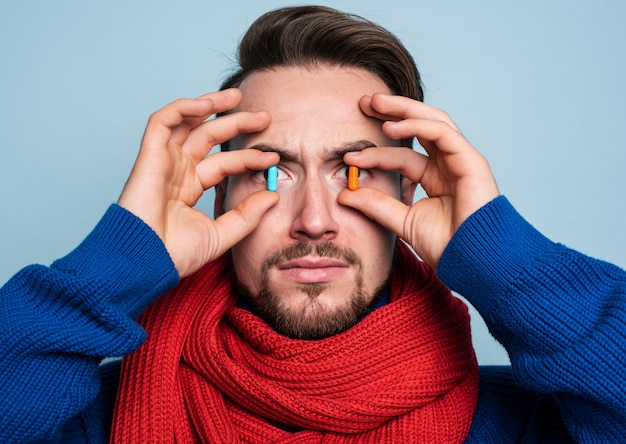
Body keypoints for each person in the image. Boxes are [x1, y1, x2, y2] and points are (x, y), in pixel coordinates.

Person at [0, 5, 625, 443]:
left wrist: (508, 261)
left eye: (353, 172)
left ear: (411, 190)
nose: (314, 222)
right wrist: (115, 263)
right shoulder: (86, 418)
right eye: (272, 173)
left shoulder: (531, 422)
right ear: (217, 196)